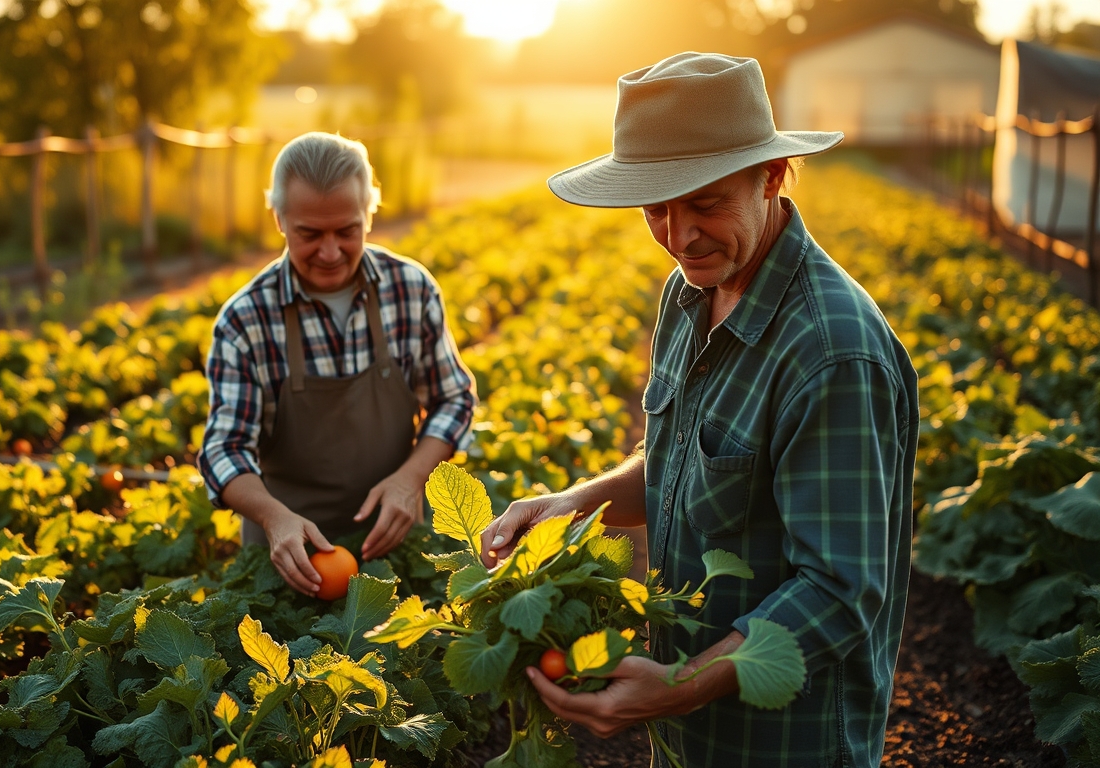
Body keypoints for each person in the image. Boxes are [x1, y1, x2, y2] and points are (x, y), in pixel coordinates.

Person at [480, 53, 919, 767]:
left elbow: (840, 592)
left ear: (771, 177)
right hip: (686, 736)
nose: (679, 235)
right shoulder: (689, 295)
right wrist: (575, 502)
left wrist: (680, 685)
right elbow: (686, 459)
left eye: (706, 203)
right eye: (657, 208)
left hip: (783, 743)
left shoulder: (832, 352)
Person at [199, 132, 477, 597]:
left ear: (369, 213)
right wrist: (273, 516)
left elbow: (453, 398)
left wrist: (411, 479)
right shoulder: (246, 319)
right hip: (289, 557)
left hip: (399, 543)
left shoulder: (411, 289)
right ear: (279, 219)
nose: (330, 253)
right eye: (309, 234)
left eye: (347, 231)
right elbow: (223, 448)